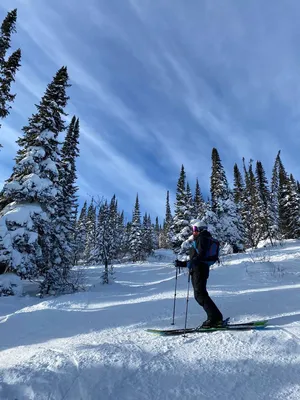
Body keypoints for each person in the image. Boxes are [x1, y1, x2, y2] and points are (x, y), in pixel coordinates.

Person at [177, 221, 223, 328]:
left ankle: (215, 318)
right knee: (200, 294)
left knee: (200, 294)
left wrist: (186, 263)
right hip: (200, 269)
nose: (193, 232)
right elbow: (196, 258)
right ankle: (215, 317)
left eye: (194, 229)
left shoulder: (202, 238)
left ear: (200, 229)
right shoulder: (203, 238)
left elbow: (199, 257)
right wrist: (183, 264)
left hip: (199, 270)